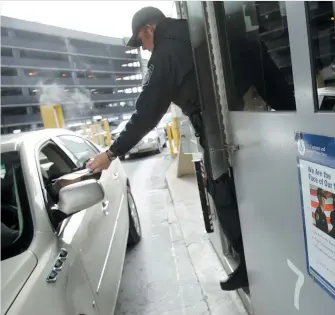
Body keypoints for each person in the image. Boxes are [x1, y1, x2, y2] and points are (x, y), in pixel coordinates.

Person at [87, 6, 296, 291]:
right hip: (247, 115)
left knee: (220, 189)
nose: (146, 50)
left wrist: (111, 152)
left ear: (149, 29)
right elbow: (252, 55)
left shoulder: (164, 56)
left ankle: (249, 262)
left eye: (143, 42)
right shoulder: (197, 28)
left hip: (216, 129)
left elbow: (146, 115)